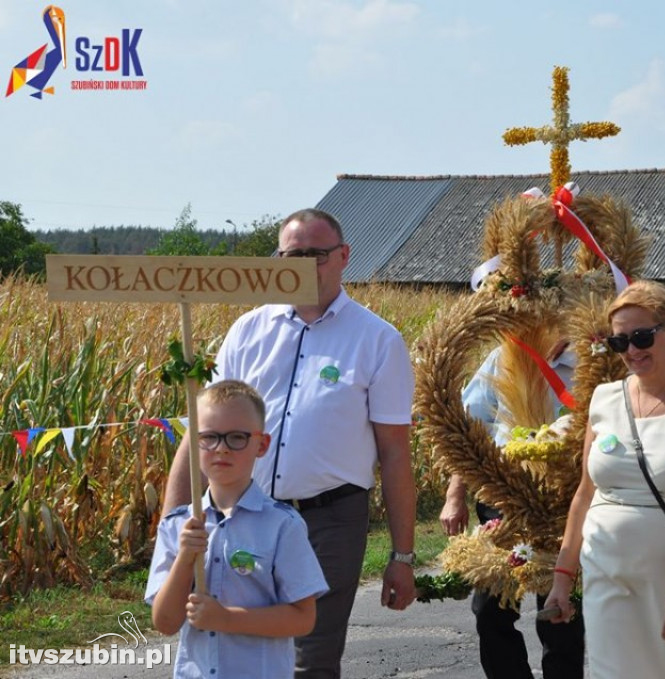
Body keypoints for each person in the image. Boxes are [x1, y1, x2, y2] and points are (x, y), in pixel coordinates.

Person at [162, 208, 417, 678]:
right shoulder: (248, 330)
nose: (303, 266)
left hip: (330, 520)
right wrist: (173, 521)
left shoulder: (377, 340)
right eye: (292, 255)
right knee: (232, 644)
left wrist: (402, 557)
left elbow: (395, 453)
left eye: (316, 255)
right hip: (243, 514)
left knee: (311, 657)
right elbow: (202, 428)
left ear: (344, 257)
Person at [545, 280, 665, 678]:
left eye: (641, 337)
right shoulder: (603, 400)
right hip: (608, 581)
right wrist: (562, 578)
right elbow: (585, 493)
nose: (632, 351)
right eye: (620, 342)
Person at [147, 380, 329, 678]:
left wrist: (225, 619)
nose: (222, 449)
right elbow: (165, 623)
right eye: (209, 437)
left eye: (237, 438)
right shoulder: (177, 526)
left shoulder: (283, 526)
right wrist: (184, 557)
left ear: (262, 444)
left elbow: (303, 618)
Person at [439, 340, 586, 678]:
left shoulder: (589, 361)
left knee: (561, 617)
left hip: (562, 503)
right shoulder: (502, 358)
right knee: (489, 611)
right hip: (501, 499)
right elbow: (472, 430)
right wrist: (455, 495)